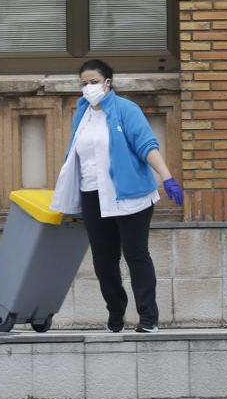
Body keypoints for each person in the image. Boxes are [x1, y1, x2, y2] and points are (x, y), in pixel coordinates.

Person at [50, 59, 184, 333]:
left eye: (94, 82)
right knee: (103, 261)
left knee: (136, 255)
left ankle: (148, 318)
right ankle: (115, 313)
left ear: (108, 83)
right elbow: (74, 154)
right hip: (92, 196)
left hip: (129, 196)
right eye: (84, 84)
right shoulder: (82, 112)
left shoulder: (126, 110)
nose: (88, 88)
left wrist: (167, 177)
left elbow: (147, 145)